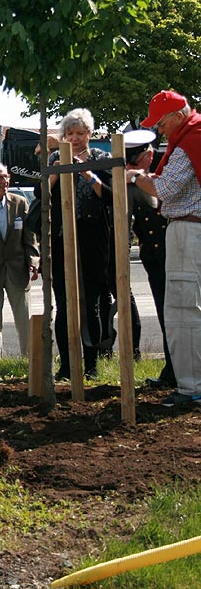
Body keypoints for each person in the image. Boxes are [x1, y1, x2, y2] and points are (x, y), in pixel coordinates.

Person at [127, 90, 201, 407]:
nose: (159, 130)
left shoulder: (189, 142)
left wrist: (137, 177)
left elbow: (165, 190)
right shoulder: (191, 136)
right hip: (190, 229)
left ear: (177, 116)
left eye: (161, 123)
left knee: (183, 310)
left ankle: (190, 387)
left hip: (188, 230)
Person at [47, 108, 112, 381]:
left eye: (80, 133)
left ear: (89, 134)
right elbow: (45, 192)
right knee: (64, 304)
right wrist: (59, 168)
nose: (75, 138)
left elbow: (109, 195)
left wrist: (86, 173)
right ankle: (66, 366)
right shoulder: (55, 156)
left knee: (92, 304)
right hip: (63, 236)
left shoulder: (102, 158)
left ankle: (91, 365)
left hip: (94, 237)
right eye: (70, 133)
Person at [123, 129, 175, 388]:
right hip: (154, 258)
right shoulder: (131, 181)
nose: (130, 168)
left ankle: (178, 369)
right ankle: (173, 369)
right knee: (166, 314)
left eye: (135, 161)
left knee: (178, 315)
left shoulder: (164, 176)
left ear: (149, 155)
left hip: (174, 254)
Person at [0, 162, 39, 357]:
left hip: (17, 268)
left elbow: (29, 235)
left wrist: (33, 260)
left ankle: (29, 359)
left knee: (24, 318)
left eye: (6, 177)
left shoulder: (19, 203)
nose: (5, 181)